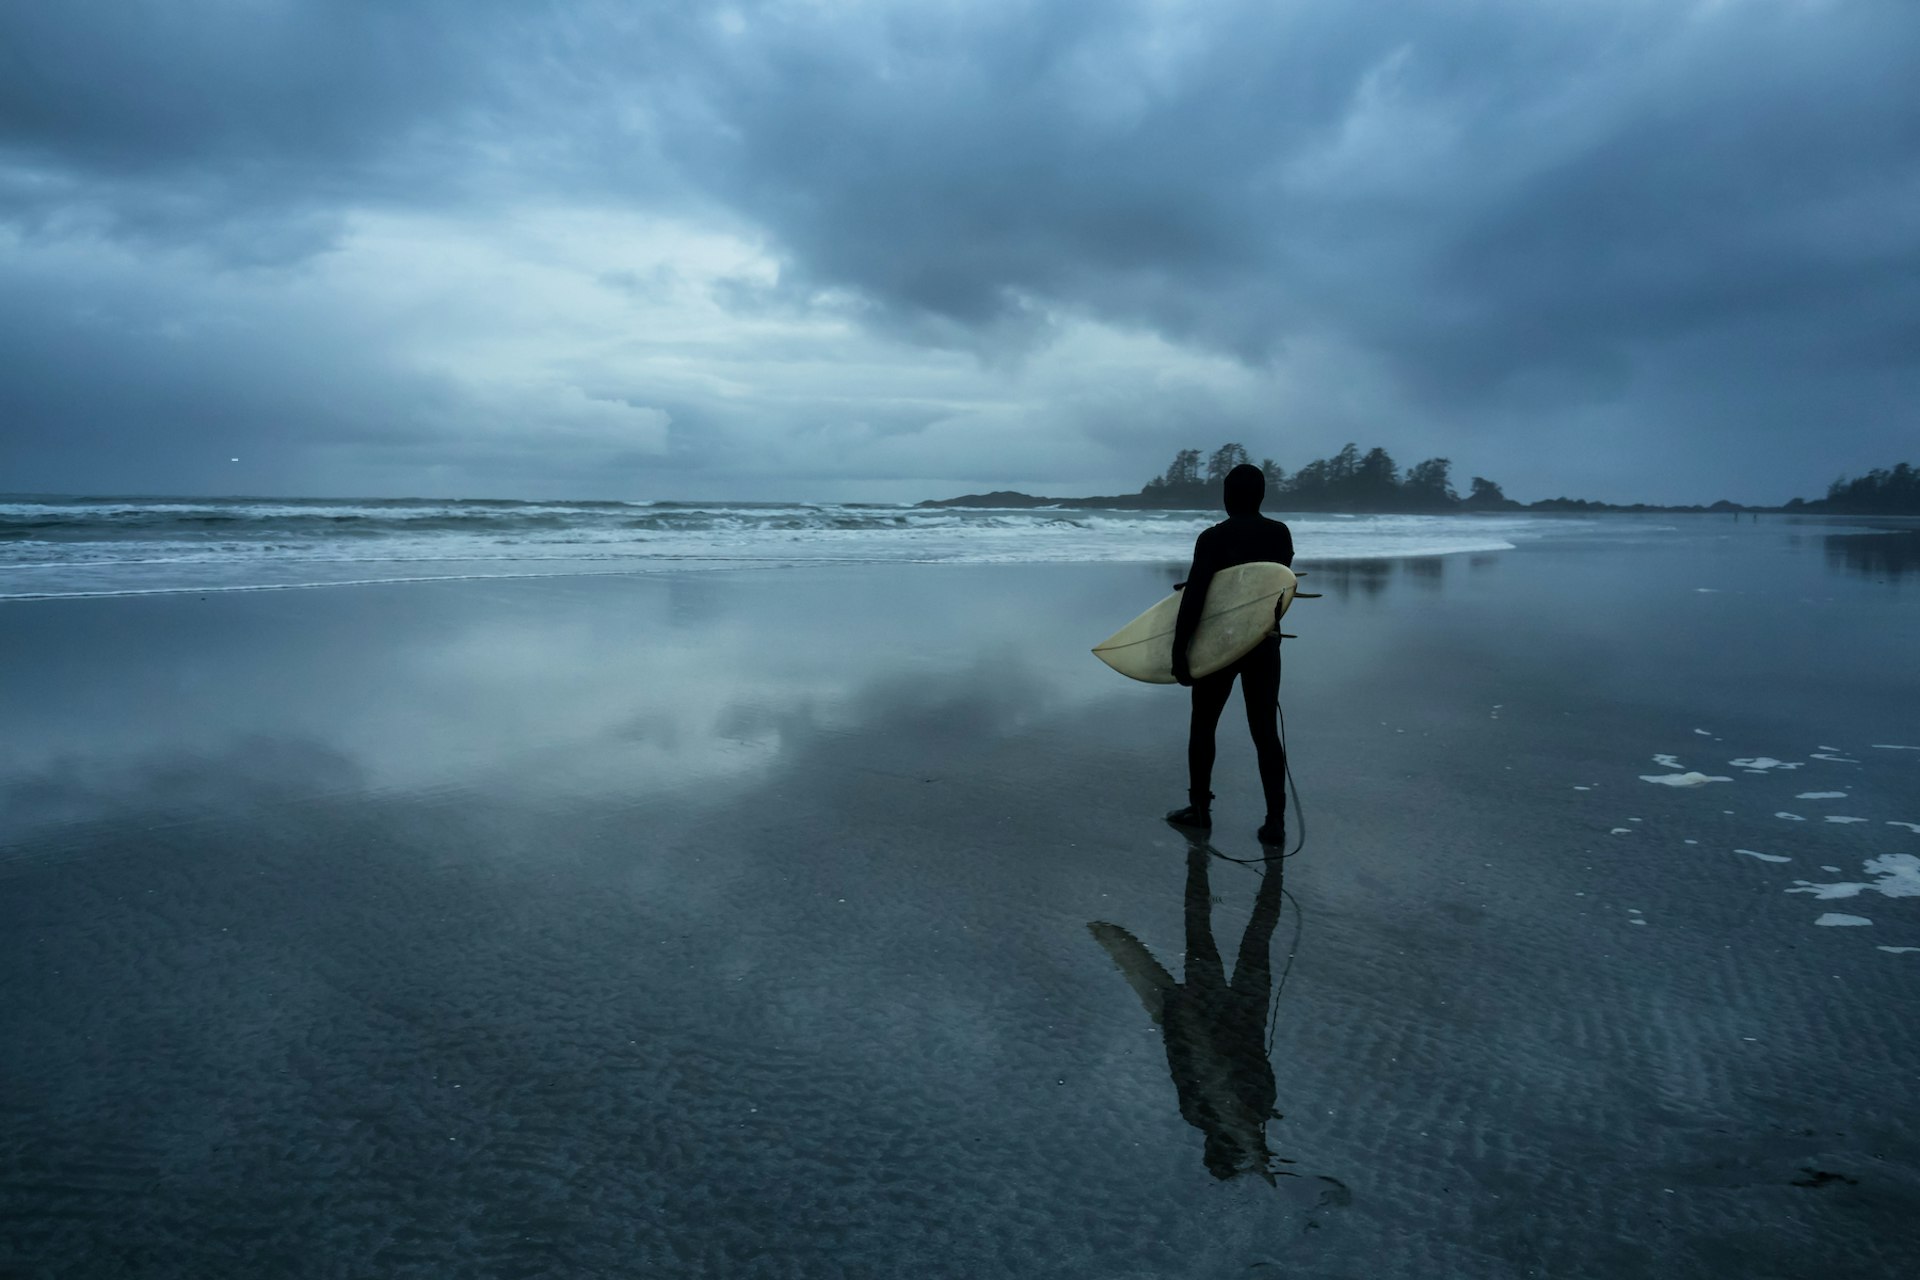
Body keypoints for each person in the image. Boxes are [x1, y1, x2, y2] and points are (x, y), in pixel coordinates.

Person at [1165, 463, 1294, 843]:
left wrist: (1179, 649)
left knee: (1204, 724)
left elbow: (1197, 596)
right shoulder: (1280, 534)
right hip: (1263, 642)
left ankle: (1200, 810)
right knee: (1265, 731)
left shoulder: (1212, 538)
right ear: (1262, 496)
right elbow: (1270, 584)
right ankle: (1275, 821)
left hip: (1218, 644)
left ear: (1226, 497)